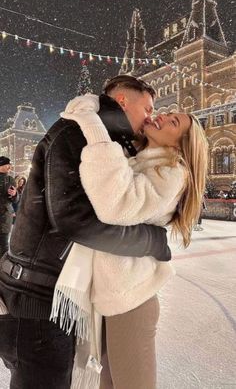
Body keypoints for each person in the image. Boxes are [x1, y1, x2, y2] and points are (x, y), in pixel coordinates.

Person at [0, 75, 170, 389]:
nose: (151, 115)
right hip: (36, 300)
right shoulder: (76, 132)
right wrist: (151, 240)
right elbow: (73, 218)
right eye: (147, 107)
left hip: (45, 294)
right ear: (123, 101)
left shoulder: (104, 139)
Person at [55, 89, 208, 389]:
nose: (161, 116)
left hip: (131, 302)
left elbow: (115, 205)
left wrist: (92, 125)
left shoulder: (171, 173)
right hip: (114, 297)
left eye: (173, 122)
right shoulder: (143, 162)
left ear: (181, 147)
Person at [0, 157, 18, 257]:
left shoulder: (10, 179)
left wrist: (15, 194)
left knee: (4, 244)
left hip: (5, 217)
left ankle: (2, 267)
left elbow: (15, 200)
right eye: (8, 164)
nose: (10, 166)